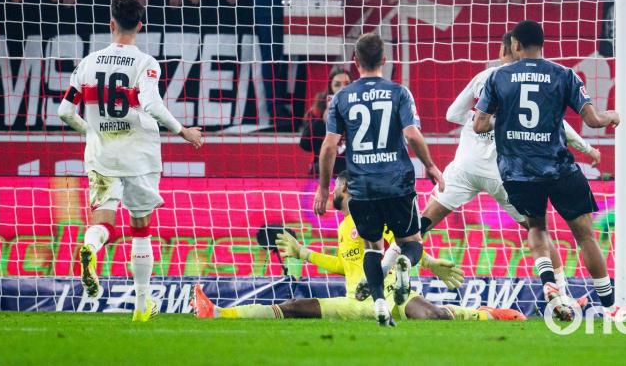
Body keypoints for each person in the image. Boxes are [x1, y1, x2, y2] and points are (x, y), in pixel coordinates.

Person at [416, 31, 601, 301]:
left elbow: (453, 114)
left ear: (507, 49)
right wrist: (586, 148)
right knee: (537, 229)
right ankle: (560, 295)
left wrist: (483, 120)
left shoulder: (486, 77)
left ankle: (385, 269)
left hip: (466, 168)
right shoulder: (537, 78)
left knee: (421, 223)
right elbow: (558, 124)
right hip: (506, 172)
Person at [192, 173, 525, 321]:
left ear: (345, 187)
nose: (333, 189)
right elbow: (346, 265)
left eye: (336, 184)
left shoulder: (376, 215)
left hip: (398, 296)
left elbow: (404, 247)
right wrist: (303, 254)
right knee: (296, 306)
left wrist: (433, 262)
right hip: (357, 302)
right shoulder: (344, 226)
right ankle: (221, 312)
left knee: (435, 317)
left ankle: (484, 315)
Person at [57, 0, 204, 322]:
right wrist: (184, 132)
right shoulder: (146, 63)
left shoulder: (88, 63)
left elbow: (64, 111)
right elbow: (150, 105)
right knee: (141, 228)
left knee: (103, 222)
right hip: (139, 155)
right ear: (140, 25)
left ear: (112, 24)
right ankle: (141, 307)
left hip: (102, 154)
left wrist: (90, 131)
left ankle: (91, 250)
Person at [473, 20, 626, 320]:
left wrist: (506, 122)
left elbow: (479, 124)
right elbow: (594, 120)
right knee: (585, 235)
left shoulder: (498, 77)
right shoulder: (564, 75)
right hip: (558, 168)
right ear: (542, 44)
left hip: (517, 171)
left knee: (536, 228)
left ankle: (549, 285)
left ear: (515, 44)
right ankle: (610, 307)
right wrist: (613, 115)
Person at [313, 32, 443, 326]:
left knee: (372, 246)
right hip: (397, 182)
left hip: (362, 186)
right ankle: (405, 264)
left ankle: (380, 305)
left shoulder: (341, 98)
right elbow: (411, 135)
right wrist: (432, 167)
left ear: (355, 61)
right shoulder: (399, 92)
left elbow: (329, 146)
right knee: (411, 242)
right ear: (384, 60)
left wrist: (323, 188)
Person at [298, 67, 350, 177]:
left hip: (350, 173)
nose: (342, 89)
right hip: (322, 172)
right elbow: (304, 144)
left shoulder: (361, 108)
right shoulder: (319, 108)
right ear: (330, 89)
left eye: (346, 84)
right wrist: (322, 121)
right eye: (337, 85)